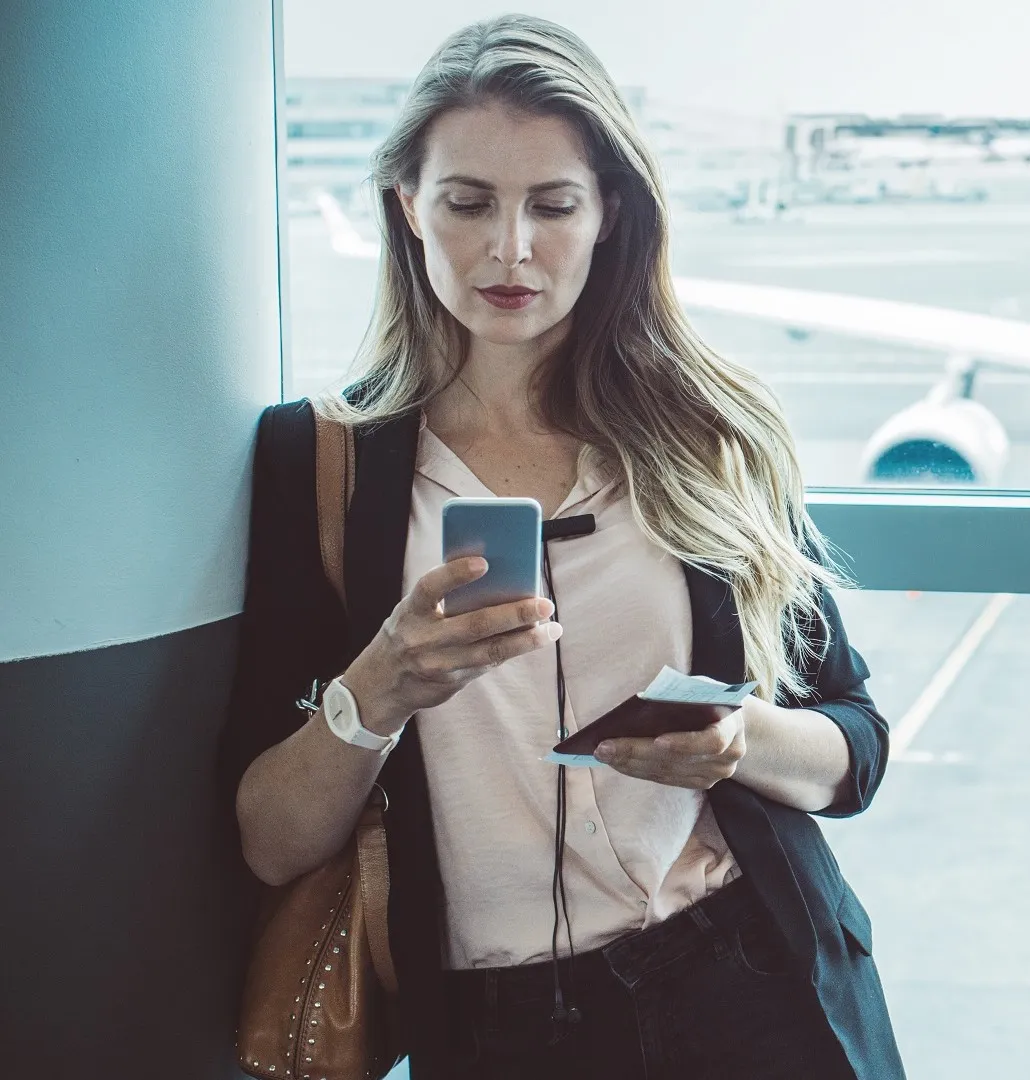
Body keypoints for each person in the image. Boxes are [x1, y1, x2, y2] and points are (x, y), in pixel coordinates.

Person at [217, 14, 903, 1079]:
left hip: (755, 982)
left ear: (609, 213)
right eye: (468, 202)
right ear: (407, 207)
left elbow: (854, 746)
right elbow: (269, 839)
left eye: (553, 204)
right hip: (502, 1024)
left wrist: (738, 740)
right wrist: (379, 689)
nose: (510, 250)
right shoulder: (322, 462)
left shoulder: (707, 432)